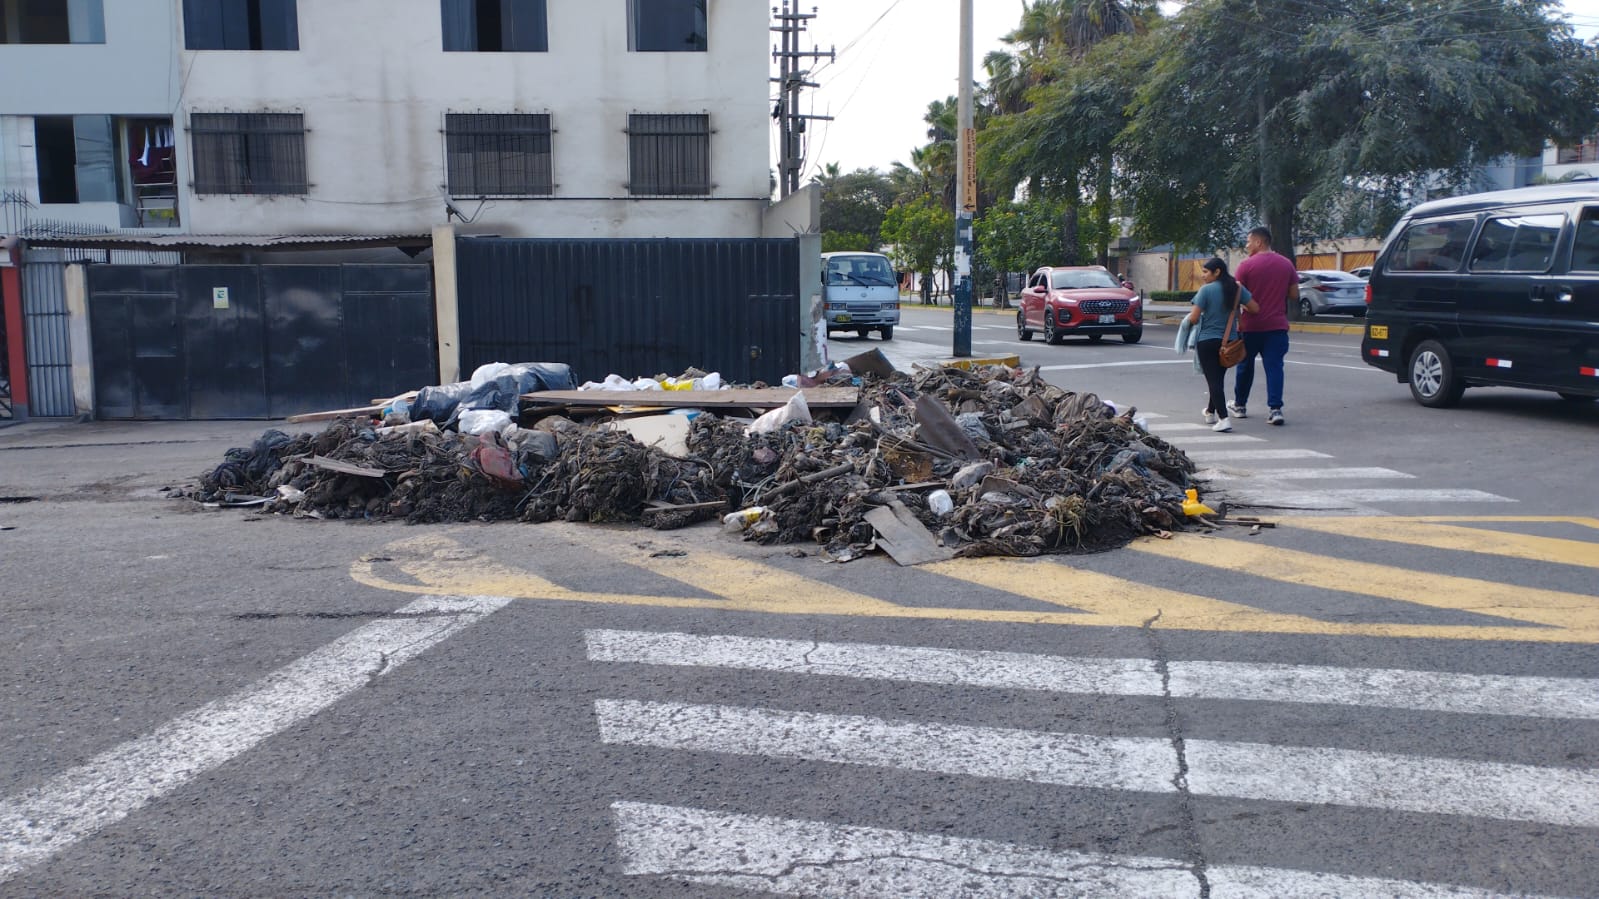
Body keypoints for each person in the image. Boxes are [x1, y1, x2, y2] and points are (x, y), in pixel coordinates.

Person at [1230, 226, 1298, 425]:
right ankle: (1275, 410)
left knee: (1244, 366)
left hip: (1250, 326)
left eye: (1249, 241)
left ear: (1259, 242)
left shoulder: (1245, 266)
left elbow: (1237, 296)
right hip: (1276, 327)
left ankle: (1240, 405)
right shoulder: (1287, 264)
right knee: (1275, 367)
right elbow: (1294, 295)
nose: (1247, 245)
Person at [1186, 257, 1258, 432]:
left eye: (1205, 272)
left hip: (1207, 341)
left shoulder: (1206, 291)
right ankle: (1210, 412)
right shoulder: (1237, 288)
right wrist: (1237, 309)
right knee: (1217, 378)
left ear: (1217, 271)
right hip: (1229, 342)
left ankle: (1224, 419)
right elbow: (1255, 308)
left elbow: (1194, 318)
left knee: (1213, 380)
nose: (1203, 276)